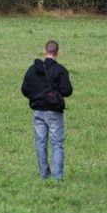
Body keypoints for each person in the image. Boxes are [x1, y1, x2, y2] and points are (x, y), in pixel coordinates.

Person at [21, 40, 74, 180]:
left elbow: (25, 89)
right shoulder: (60, 70)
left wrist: (36, 97)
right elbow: (67, 91)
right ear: (57, 53)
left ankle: (44, 175)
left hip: (38, 111)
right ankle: (57, 177)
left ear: (44, 52)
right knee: (57, 143)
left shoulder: (32, 69)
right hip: (54, 112)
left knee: (40, 143)